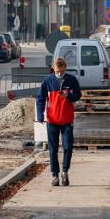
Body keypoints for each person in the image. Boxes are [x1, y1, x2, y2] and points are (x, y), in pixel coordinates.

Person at [36, 57, 81, 186]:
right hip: (52, 120)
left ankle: (64, 172)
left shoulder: (71, 80)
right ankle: (55, 175)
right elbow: (40, 98)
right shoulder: (48, 81)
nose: (59, 74)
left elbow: (78, 95)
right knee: (52, 150)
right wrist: (40, 114)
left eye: (61, 71)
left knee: (68, 147)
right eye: (57, 71)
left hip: (67, 120)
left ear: (65, 68)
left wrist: (69, 96)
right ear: (53, 69)